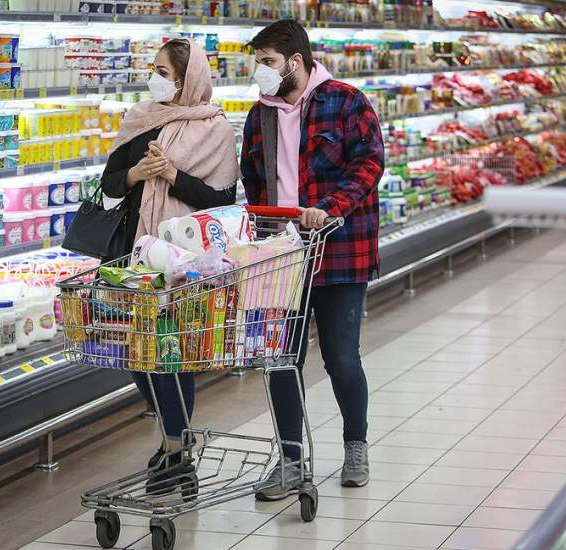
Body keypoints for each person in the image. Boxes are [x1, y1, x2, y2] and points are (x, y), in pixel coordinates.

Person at [240, 19, 384, 500]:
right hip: (280, 257)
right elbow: (253, 180)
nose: (259, 72)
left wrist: (330, 210)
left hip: (340, 249)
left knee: (342, 358)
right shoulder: (258, 115)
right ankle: (290, 460)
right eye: (257, 63)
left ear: (295, 62)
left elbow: (370, 162)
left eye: (267, 62)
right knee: (281, 359)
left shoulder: (345, 100)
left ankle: (355, 446)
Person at [101, 38, 239, 490]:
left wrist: (173, 175)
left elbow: (223, 200)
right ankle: (174, 441)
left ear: (187, 78)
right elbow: (110, 185)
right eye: (154, 69)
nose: (154, 77)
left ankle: (176, 449)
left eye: (164, 71)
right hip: (137, 254)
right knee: (137, 353)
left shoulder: (215, 128)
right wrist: (138, 174)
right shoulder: (139, 119)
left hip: (187, 259)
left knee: (172, 352)